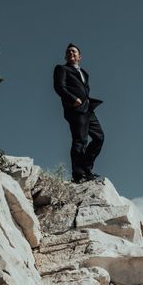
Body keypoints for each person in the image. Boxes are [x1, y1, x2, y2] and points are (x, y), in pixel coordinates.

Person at [53, 43, 104, 183]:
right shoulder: (61, 68)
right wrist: (73, 99)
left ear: (79, 56)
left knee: (99, 137)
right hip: (75, 109)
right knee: (80, 140)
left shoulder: (85, 73)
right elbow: (59, 87)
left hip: (88, 109)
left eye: (74, 52)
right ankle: (78, 175)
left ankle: (86, 169)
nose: (71, 53)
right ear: (65, 56)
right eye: (68, 52)